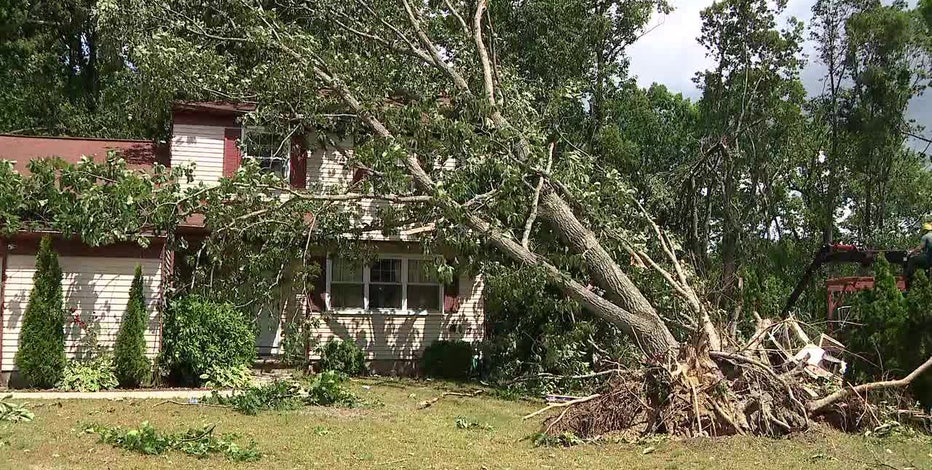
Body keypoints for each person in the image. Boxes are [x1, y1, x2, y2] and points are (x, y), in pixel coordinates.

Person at [905, 222, 932, 288]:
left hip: (929, 259)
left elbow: (920, 247)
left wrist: (911, 252)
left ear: (925, 230)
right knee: (925, 265)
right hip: (929, 258)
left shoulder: (925, 236)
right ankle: (927, 282)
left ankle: (908, 278)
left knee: (912, 259)